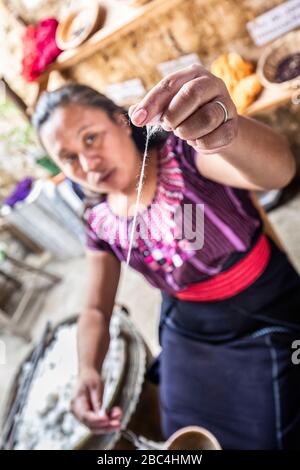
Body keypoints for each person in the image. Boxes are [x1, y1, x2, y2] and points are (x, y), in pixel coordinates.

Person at [32, 64, 300, 449]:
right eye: (69, 158)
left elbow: (279, 172)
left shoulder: (186, 155)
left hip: (263, 302)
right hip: (190, 326)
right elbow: (95, 308)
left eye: (91, 138)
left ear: (122, 121)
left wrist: (227, 130)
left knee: (268, 435)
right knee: (183, 432)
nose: (88, 164)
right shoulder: (99, 219)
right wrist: (88, 369)